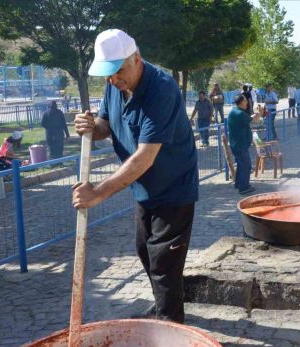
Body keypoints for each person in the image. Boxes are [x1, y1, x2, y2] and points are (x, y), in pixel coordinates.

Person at [73, 29, 199, 323]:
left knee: (164, 263)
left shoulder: (162, 89)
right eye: (108, 75)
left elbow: (145, 156)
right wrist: (90, 126)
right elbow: (105, 125)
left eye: (117, 72)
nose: (113, 80)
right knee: (144, 251)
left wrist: (98, 192)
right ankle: (162, 306)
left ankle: (170, 328)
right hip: (143, 188)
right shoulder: (114, 85)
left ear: (136, 59)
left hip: (174, 188)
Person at [227, 94, 262, 194]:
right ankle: (244, 188)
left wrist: (255, 115)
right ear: (241, 102)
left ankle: (238, 184)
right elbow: (255, 122)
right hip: (240, 145)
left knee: (241, 164)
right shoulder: (240, 114)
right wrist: (259, 113)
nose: (247, 102)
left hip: (237, 144)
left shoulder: (235, 111)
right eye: (245, 100)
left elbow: (248, 119)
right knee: (246, 165)